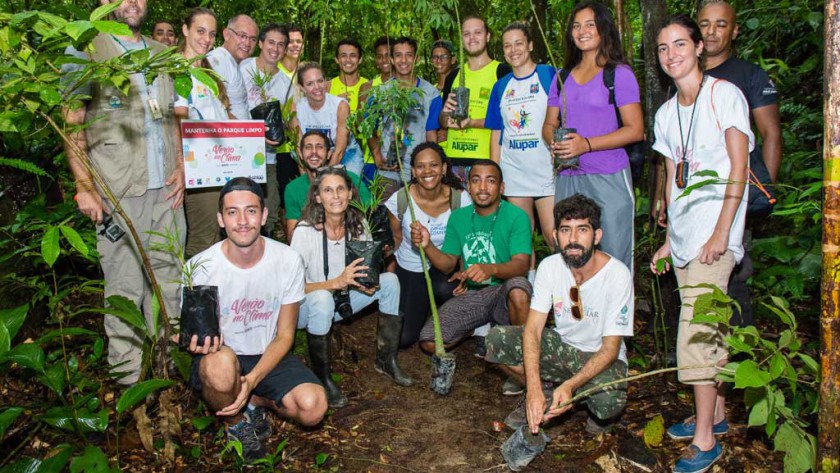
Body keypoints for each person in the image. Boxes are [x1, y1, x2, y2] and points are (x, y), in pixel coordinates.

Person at [62, 0, 185, 385]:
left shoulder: (161, 53)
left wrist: (180, 165)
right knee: (125, 291)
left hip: (165, 192)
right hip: (118, 193)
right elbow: (72, 119)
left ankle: (166, 378)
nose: (132, 2)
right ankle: (130, 386)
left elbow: (171, 116)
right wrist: (84, 186)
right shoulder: (87, 48)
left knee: (169, 285)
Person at [650, 14, 752, 473]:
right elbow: (673, 179)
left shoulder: (724, 96)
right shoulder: (667, 113)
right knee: (712, 331)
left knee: (696, 336)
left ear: (698, 47)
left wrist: (721, 233)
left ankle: (706, 441)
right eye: (662, 48)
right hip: (688, 240)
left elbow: (738, 166)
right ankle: (718, 414)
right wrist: (671, 240)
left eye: (678, 45)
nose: (671, 54)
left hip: (716, 238)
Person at [185, 177, 326, 462]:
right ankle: (236, 423)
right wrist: (189, 340)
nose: (242, 221)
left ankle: (253, 399)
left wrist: (250, 382)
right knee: (219, 366)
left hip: (268, 351)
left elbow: (286, 336)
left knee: (314, 407)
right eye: (232, 212)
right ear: (220, 219)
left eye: (250, 211)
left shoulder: (287, 260)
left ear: (263, 216)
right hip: (224, 355)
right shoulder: (201, 266)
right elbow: (199, 335)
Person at [485, 194, 633, 447]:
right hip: (563, 347)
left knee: (609, 401)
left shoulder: (617, 274)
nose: (573, 239)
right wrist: (533, 390)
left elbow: (610, 350)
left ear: (597, 236)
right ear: (555, 236)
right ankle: (544, 395)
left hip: (599, 356)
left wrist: (570, 385)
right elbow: (532, 331)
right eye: (565, 230)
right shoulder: (550, 267)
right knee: (497, 339)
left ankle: (582, 407)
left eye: (582, 230)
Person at [291, 167, 412, 408]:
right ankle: (322, 378)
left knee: (389, 281)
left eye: (340, 189)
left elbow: (361, 271)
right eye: (327, 190)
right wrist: (335, 283)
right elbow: (292, 290)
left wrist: (367, 283)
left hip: (341, 299)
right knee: (323, 298)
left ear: (349, 195)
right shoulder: (304, 232)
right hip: (307, 308)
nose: (335, 196)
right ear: (317, 197)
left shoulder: (358, 225)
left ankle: (386, 360)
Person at [695, 0, 782, 326]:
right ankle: (701, 356)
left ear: (734, 30)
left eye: (721, 24)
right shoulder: (685, 72)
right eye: (705, 24)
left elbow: (771, 133)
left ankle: (736, 360)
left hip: (734, 194)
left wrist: (761, 194)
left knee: (733, 274)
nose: (712, 31)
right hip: (695, 195)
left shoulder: (749, 76)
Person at [541, 1, 643, 271]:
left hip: (608, 175)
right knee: (570, 253)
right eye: (576, 26)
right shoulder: (562, 76)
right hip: (568, 176)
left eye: (589, 24)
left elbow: (635, 129)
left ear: (603, 29)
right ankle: (576, 313)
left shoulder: (618, 74)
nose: (581, 31)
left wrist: (586, 145)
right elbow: (549, 124)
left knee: (614, 254)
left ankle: (617, 314)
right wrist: (557, 143)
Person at [411, 161, 531, 371]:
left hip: (504, 291)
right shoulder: (458, 217)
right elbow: (448, 264)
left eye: (490, 181)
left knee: (519, 289)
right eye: (476, 180)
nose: (483, 188)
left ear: (501, 188)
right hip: (474, 295)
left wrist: (490, 269)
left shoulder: (516, 216)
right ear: (468, 186)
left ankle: (520, 359)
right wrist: (427, 245)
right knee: (429, 341)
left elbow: (521, 265)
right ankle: (480, 328)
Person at [486, 21, 557, 284]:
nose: (513, 50)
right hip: (514, 174)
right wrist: (495, 175)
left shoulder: (549, 75)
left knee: (555, 237)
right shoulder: (501, 86)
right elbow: (496, 133)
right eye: (507, 45)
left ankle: (567, 296)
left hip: (547, 172)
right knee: (522, 243)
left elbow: (564, 118)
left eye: (518, 43)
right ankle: (528, 300)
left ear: (529, 45)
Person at [384, 142, 472, 348]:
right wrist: (388, 270)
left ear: (443, 168)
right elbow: (396, 239)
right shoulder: (401, 199)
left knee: (451, 289)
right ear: (413, 171)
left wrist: (465, 272)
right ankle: (420, 310)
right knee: (404, 339)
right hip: (411, 267)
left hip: (445, 266)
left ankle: (455, 324)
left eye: (433, 165)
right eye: (421, 166)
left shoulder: (460, 199)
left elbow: (467, 241)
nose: (427, 171)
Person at [174, 8, 235, 258]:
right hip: (199, 167)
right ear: (185, 30)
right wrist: (181, 164)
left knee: (219, 236)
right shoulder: (178, 69)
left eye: (211, 34)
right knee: (203, 237)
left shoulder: (208, 72)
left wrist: (252, 134)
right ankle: (192, 294)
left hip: (221, 165)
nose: (206, 39)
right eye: (200, 31)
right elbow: (177, 119)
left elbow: (223, 116)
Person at [439, 15, 511, 181]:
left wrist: (473, 122)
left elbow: (508, 120)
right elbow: (443, 122)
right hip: (454, 161)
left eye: (477, 32)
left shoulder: (502, 73)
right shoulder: (453, 76)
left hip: (487, 161)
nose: (472, 38)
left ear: (487, 36)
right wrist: (445, 115)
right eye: (466, 34)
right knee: (456, 208)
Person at [240, 23, 293, 236]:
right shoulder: (243, 68)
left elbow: (288, 122)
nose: (275, 49)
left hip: (267, 158)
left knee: (268, 209)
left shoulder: (285, 83)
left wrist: (284, 131)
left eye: (281, 45)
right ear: (260, 43)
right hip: (237, 152)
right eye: (271, 42)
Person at [368, 37, 438, 191]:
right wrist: (377, 156)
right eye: (398, 55)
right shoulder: (379, 93)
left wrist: (433, 164)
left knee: (417, 214)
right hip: (389, 170)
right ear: (392, 59)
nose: (403, 60)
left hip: (419, 171)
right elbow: (369, 128)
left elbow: (431, 132)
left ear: (417, 58)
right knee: (385, 213)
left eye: (409, 55)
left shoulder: (430, 93)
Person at [284, 130, 372, 240]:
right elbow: (292, 237)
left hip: (350, 240)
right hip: (312, 245)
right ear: (300, 154)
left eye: (319, 147)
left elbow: (371, 215)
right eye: (308, 147)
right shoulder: (293, 188)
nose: (314, 152)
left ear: (329, 153)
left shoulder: (350, 179)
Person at [290, 63, 351, 171]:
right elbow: (299, 150)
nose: (317, 87)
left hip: (344, 153)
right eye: (310, 84)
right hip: (313, 155)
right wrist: (308, 180)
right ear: (302, 88)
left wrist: (323, 179)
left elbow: (340, 150)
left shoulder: (341, 106)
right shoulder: (296, 109)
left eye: (320, 81)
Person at [207, 15, 257, 120]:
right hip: (231, 134)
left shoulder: (231, 61)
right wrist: (247, 132)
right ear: (226, 34)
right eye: (242, 35)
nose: (247, 43)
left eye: (252, 39)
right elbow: (215, 107)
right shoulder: (219, 60)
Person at [359, 36, 395, 183]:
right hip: (372, 156)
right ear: (375, 60)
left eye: (388, 55)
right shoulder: (368, 87)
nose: (384, 60)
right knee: (371, 203)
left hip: (399, 156)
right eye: (380, 56)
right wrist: (376, 152)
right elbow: (362, 122)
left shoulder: (407, 85)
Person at [327, 38, 368, 113]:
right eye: (343, 55)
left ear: (360, 60)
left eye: (353, 55)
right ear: (337, 59)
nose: (348, 60)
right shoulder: (327, 87)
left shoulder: (369, 86)